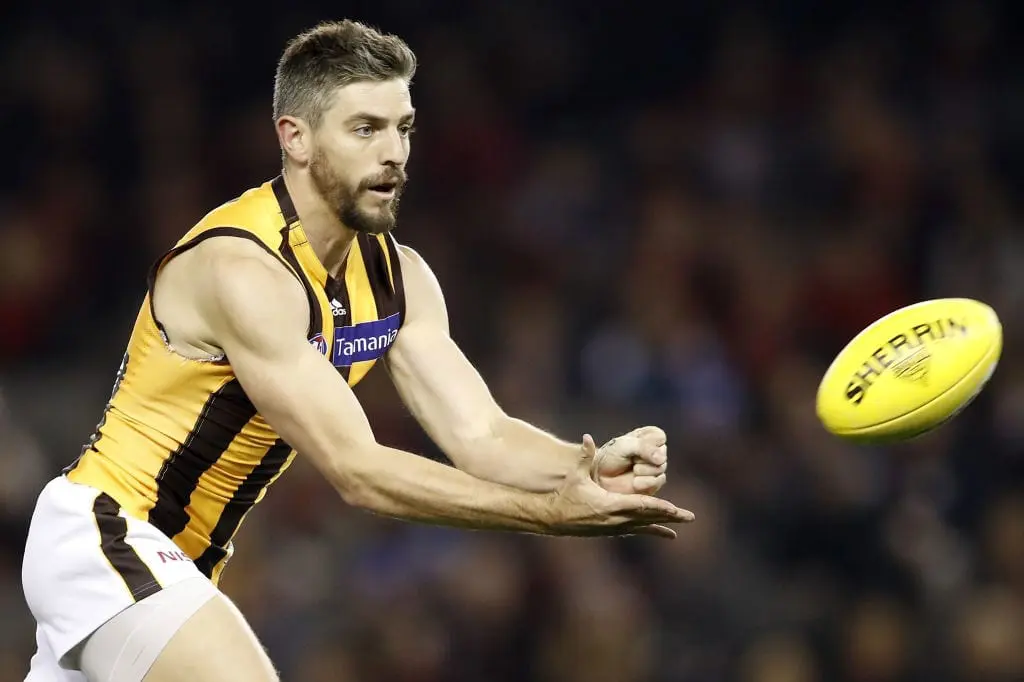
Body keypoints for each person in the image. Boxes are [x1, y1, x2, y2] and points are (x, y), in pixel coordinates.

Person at [21, 19, 693, 682]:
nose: (394, 152)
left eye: (403, 128)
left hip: (179, 565)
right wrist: (549, 516)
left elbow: (483, 435)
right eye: (365, 129)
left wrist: (584, 468)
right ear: (295, 138)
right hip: (107, 535)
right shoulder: (243, 269)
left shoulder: (401, 278)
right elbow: (357, 471)